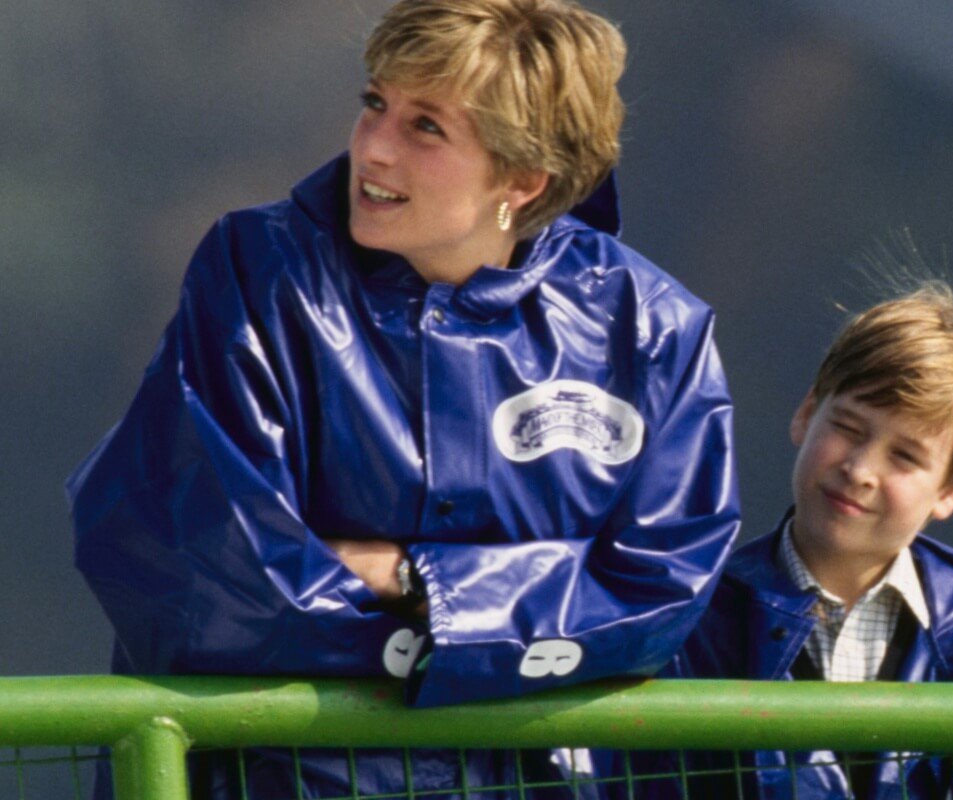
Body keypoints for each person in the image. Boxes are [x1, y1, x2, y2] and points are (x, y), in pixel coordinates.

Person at [65, 0, 739, 796]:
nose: (373, 149)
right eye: (375, 103)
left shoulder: (654, 328)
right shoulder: (255, 271)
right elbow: (205, 572)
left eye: (427, 128)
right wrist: (504, 630)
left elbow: (664, 594)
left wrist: (418, 582)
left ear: (524, 180)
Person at [623, 281, 953, 799]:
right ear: (805, 414)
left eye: (905, 457)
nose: (861, 469)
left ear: (949, 492)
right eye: (848, 427)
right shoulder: (688, 623)